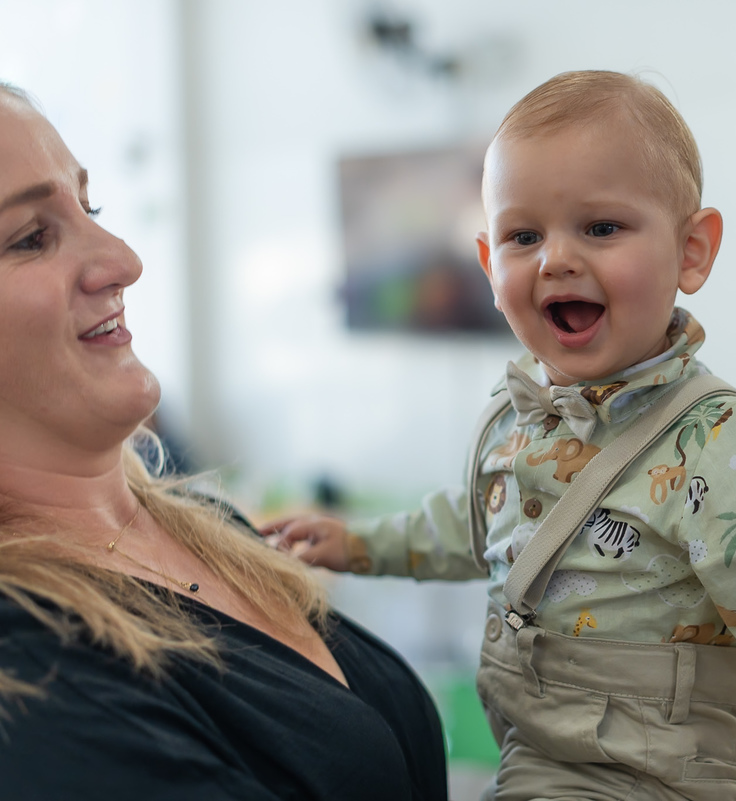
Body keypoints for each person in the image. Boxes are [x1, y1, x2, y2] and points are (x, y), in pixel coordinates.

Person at [271, 70, 736, 801]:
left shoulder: (721, 444)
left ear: (692, 250)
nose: (557, 258)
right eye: (523, 235)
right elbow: (476, 525)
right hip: (537, 757)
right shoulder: (518, 422)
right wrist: (357, 543)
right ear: (488, 265)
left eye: (601, 227)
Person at [0, 83, 450, 799]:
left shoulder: (213, 525)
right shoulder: (26, 672)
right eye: (29, 237)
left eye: (91, 209)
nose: (122, 258)